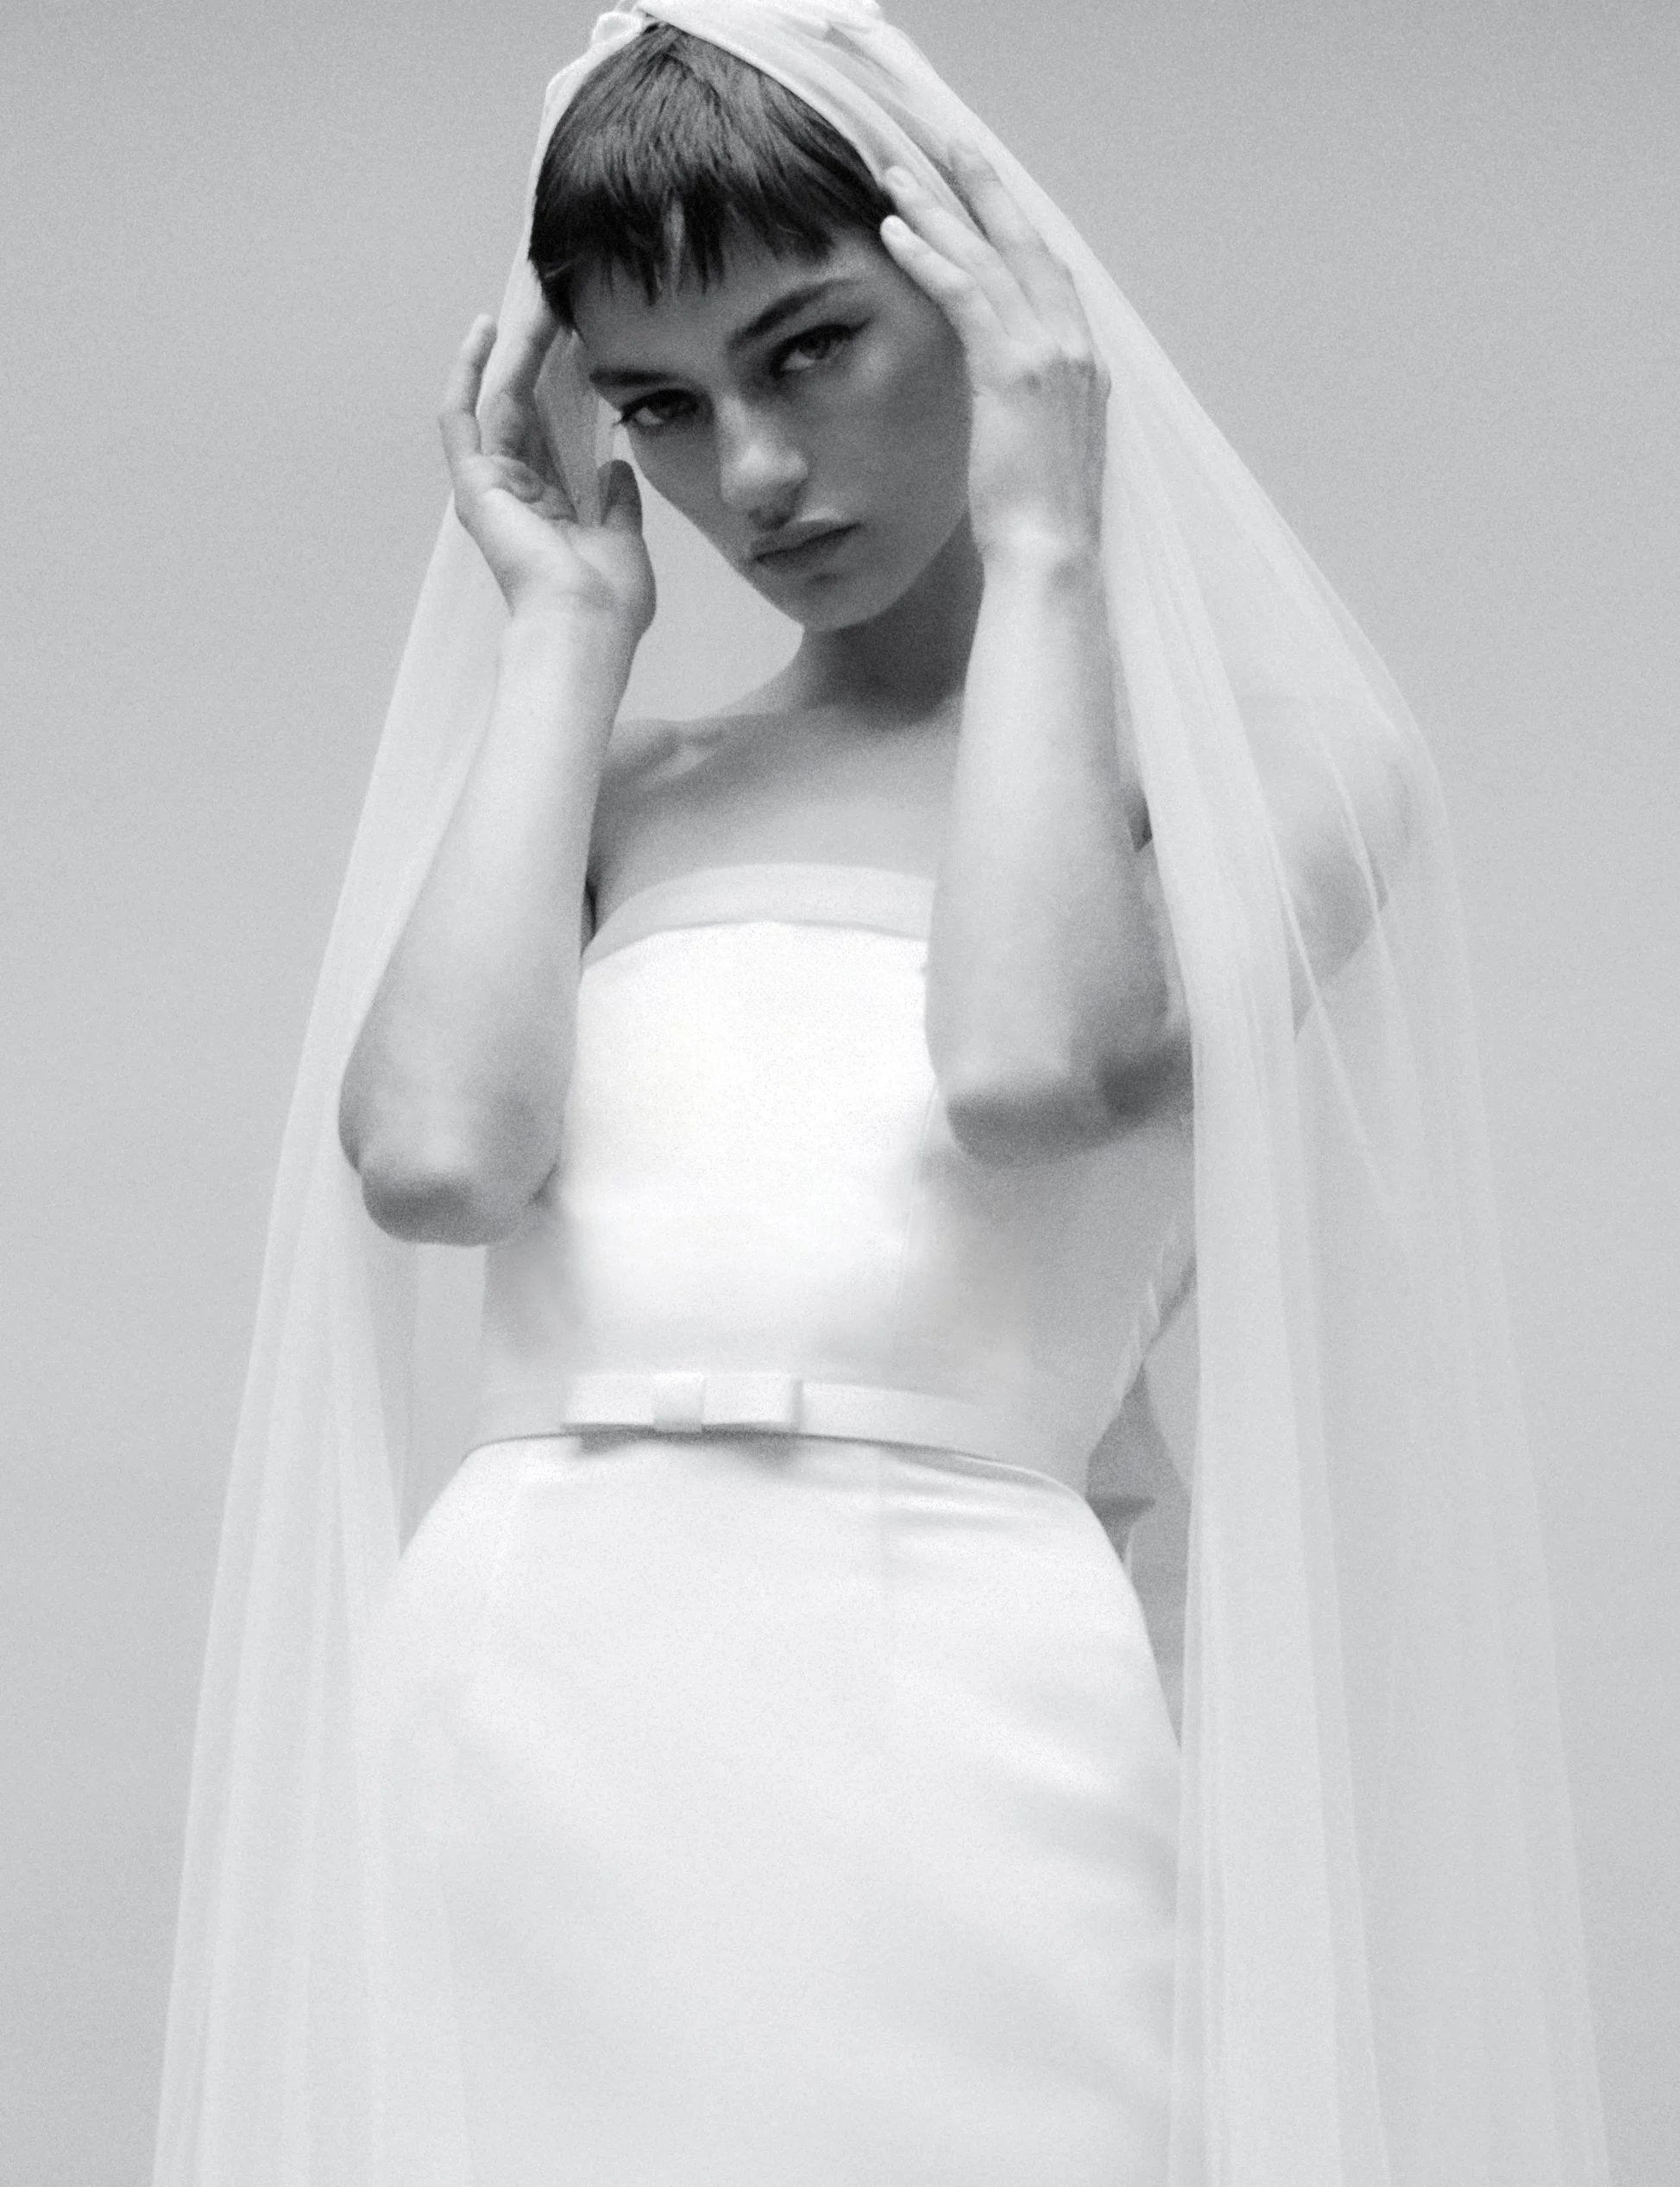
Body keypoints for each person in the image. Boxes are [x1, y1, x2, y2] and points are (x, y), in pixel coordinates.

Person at [152, 7, 1611, 2185]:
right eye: (661, 401)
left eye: (809, 348)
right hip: (530, 1683)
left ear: (993, 314)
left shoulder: (1271, 764)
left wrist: (1044, 538)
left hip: (952, 1693)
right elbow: (438, 1160)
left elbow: (1031, 1070)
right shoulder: (630, 786)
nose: (744, 475)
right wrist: (565, 626)